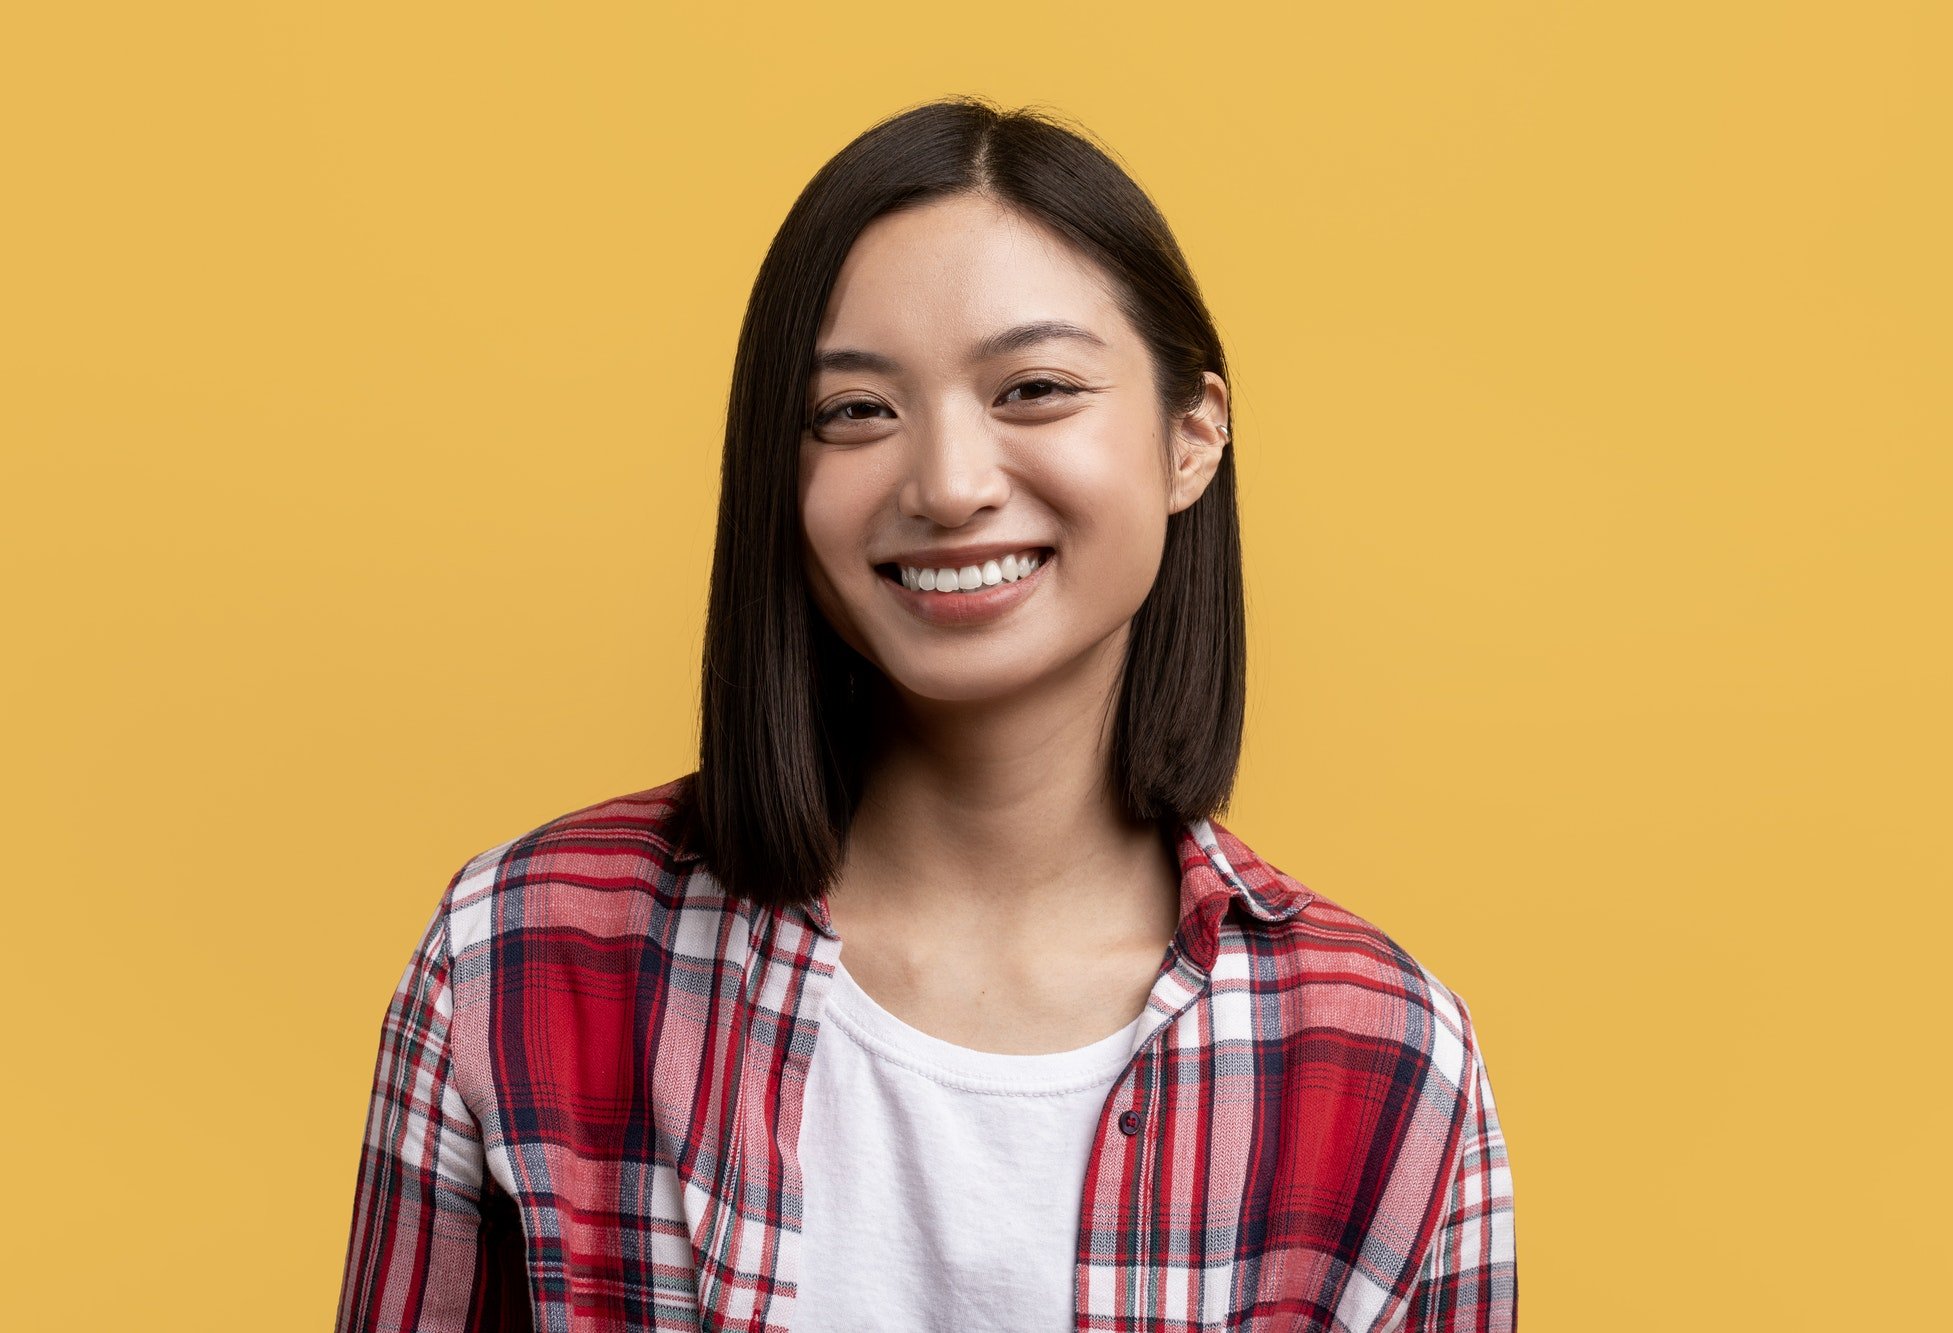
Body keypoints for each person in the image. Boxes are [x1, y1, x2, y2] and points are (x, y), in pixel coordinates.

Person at [336, 94, 1515, 1332]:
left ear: (1190, 437)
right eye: (855, 411)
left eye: (1035, 388)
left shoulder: (1379, 1054)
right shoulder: (519, 954)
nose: (948, 485)